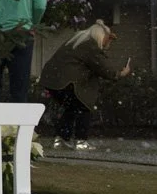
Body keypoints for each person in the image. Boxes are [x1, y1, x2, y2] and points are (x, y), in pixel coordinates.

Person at [39, 20, 131, 150]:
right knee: (84, 106)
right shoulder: (91, 46)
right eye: (107, 39)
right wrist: (120, 74)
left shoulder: (77, 41)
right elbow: (104, 68)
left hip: (52, 81)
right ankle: (81, 141)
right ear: (101, 36)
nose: (108, 42)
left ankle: (60, 139)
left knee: (72, 108)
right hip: (66, 82)